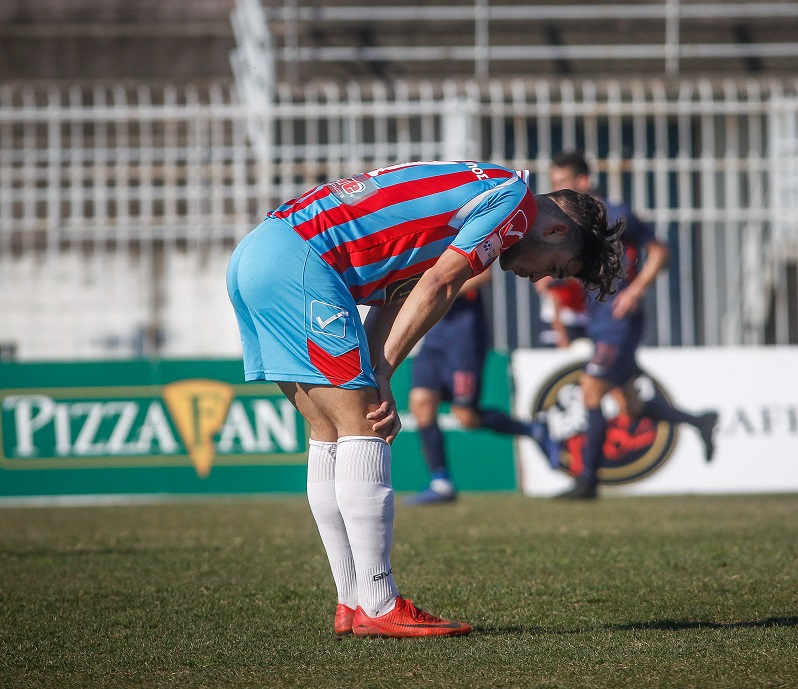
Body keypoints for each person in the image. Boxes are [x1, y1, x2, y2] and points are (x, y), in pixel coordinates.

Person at [226, 160, 623, 638]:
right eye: (555, 269)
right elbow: (441, 285)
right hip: (302, 264)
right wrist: (382, 376)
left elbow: (400, 296)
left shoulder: (473, 195)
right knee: (363, 426)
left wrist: (378, 374)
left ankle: (351, 602)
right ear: (556, 229)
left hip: (260, 253)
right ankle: (380, 603)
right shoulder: (514, 203)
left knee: (328, 432)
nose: (540, 279)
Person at [549, 151, 719, 500]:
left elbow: (659, 251)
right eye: (553, 184)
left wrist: (636, 290)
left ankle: (588, 483)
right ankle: (699, 421)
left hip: (619, 319)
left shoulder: (617, 214)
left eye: (562, 182)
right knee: (630, 406)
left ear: (583, 182)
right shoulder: (572, 224)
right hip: (599, 319)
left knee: (591, 390)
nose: (557, 190)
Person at [405, 268, 559, 506]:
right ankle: (441, 482)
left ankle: (531, 429)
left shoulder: (463, 234)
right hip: (433, 335)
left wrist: (439, 289)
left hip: (464, 338)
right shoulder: (422, 239)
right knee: (421, 403)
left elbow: (484, 275)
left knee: (466, 416)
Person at [535, 276, 590, 347]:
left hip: (581, 325)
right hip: (560, 326)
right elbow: (540, 287)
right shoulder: (554, 287)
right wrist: (562, 339)